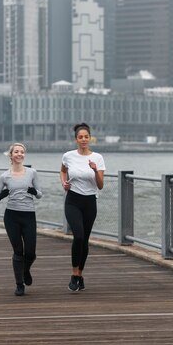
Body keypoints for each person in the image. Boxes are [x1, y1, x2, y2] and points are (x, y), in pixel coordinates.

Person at [0, 143, 42, 296]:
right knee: (18, 251)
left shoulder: (32, 173)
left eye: (22, 152)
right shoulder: (4, 176)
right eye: (16, 152)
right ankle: (19, 284)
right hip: (12, 216)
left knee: (31, 252)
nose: (19, 154)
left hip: (28, 215)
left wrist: (34, 191)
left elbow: (40, 194)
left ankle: (25, 270)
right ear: (11, 155)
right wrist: (1, 196)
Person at [60, 123, 105, 292]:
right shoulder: (68, 156)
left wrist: (95, 170)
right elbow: (63, 171)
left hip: (90, 202)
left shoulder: (98, 158)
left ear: (90, 138)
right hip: (73, 200)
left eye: (86, 137)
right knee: (78, 236)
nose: (84, 139)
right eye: (81, 137)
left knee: (85, 240)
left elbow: (100, 185)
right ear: (76, 139)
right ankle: (74, 274)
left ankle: (80, 274)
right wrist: (63, 182)